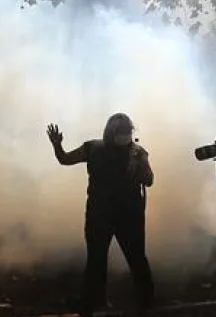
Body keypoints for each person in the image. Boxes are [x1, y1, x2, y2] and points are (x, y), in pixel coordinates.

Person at [47, 114, 155, 317]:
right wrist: (57, 145)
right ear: (111, 132)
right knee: (96, 260)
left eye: (127, 131)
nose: (125, 135)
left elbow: (149, 179)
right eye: (121, 131)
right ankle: (93, 302)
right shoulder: (93, 148)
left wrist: (140, 169)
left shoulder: (137, 152)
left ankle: (146, 302)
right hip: (100, 215)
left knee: (136, 258)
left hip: (127, 215)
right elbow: (65, 159)